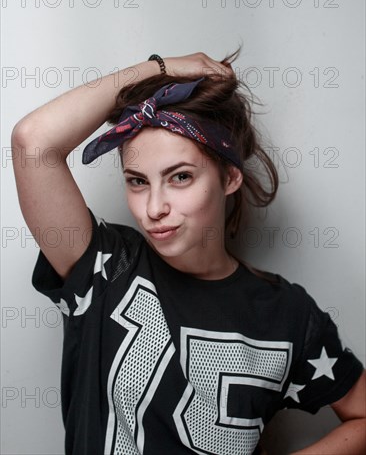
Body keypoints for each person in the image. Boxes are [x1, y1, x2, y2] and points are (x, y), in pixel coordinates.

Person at [11, 50, 365, 455]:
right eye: (138, 181)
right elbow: (33, 141)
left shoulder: (286, 312)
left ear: (229, 176)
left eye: (180, 177)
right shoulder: (106, 268)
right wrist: (162, 69)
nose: (154, 207)